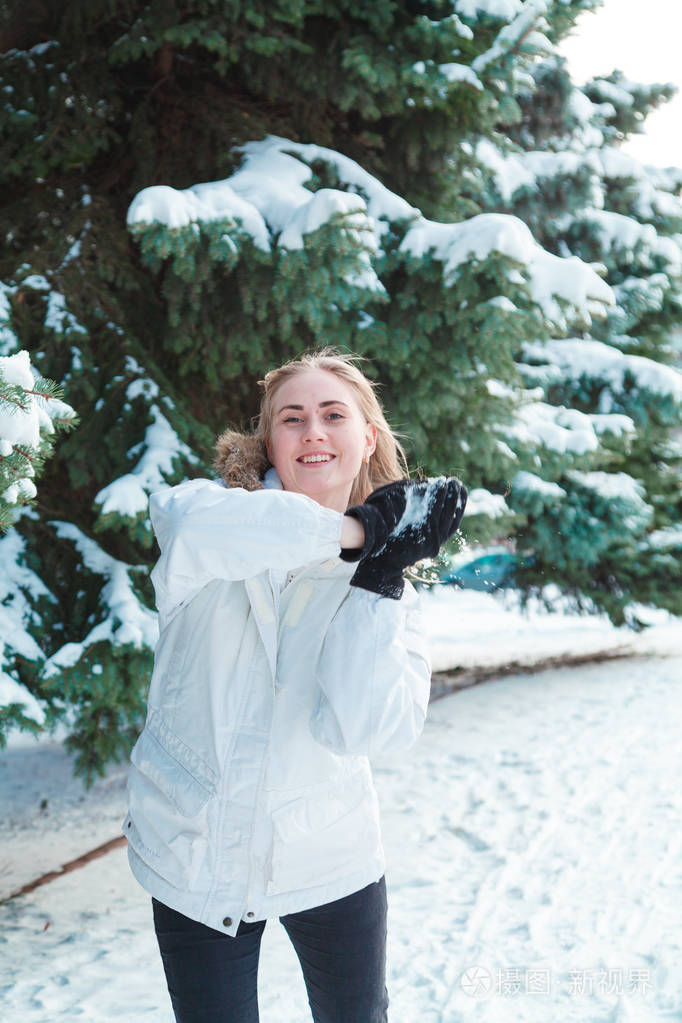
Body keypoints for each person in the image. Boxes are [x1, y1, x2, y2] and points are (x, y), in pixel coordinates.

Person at [124, 348, 467, 1023]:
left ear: (366, 436)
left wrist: (375, 579)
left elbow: (368, 730)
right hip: (193, 854)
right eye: (293, 417)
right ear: (269, 441)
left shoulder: (389, 590)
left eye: (333, 414)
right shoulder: (205, 516)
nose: (313, 430)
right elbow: (198, 530)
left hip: (330, 856)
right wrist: (357, 531)